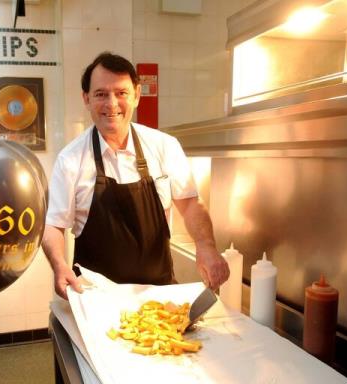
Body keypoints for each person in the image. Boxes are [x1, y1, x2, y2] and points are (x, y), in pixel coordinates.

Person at [42, 52, 229, 300]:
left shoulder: (164, 146)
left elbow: (190, 203)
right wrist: (59, 265)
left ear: (137, 95)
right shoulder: (71, 160)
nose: (111, 104)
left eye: (121, 93)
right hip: (94, 297)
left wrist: (206, 246)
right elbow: (54, 225)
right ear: (86, 99)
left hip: (159, 295)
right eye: (101, 94)